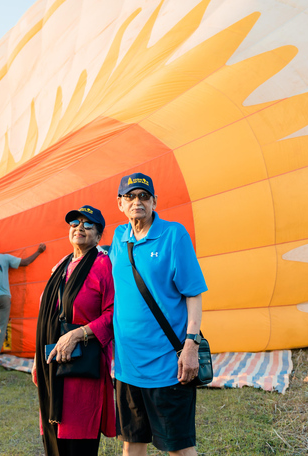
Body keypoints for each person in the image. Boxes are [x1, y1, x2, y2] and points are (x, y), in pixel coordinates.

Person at [109, 173, 208, 456]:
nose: (137, 201)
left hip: (167, 365)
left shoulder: (173, 235)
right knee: (133, 442)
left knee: (178, 447)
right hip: (128, 365)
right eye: (130, 196)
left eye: (143, 196)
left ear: (154, 201)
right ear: (120, 203)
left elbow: (193, 293)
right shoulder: (119, 237)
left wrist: (191, 344)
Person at [34, 205, 115, 456]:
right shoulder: (61, 266)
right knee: (53, 438)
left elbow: (114, 315)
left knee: (78, 437)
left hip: (82, 365)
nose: (80, 227)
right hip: (52, 362)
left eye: (88, 224)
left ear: (99, 235)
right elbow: (45, 315)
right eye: (75, 223)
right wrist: (37, 359)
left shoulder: (104, 265)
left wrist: (77, 334)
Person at [0, 238, 46, 366]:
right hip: (4, 298)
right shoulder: (5, 258)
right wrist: (38, 251)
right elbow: (26, 262)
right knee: (0, 329)